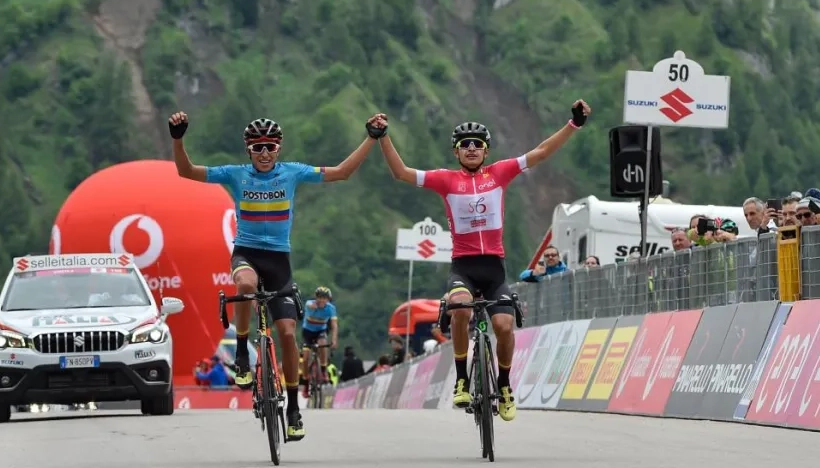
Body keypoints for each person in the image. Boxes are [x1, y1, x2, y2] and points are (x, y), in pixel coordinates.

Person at [168, 111, 385, 441]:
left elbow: (342, 172)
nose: (265, 153)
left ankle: (294, 409)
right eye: (258, 148)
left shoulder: (293, 172)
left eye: (270, 146)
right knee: (244, 285)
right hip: (247, 254)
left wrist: (371, 137)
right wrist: (178, 138)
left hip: (279, 261)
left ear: (279, 148)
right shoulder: (236, 175)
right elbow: (186, 171)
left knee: (286, 333)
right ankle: (242, 351)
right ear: (248, 151)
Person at [376, 100, 591, 422]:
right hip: (463, 267)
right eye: (465, 145)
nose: (472, 149)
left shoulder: (500, 172)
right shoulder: (445, 180)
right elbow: (400, 173)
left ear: (487, 151)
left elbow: (542, 152)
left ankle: (504, 386)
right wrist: (382, 137)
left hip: (493, 268)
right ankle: (462, 378)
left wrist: (574, 124)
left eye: (478, 144)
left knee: (504, 326)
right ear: (456, 152)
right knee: (460, 308)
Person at [300, 286, 338, 397]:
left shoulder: (331, 308)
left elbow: (334, 326)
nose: (322, 300)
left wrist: (334, 340)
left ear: (328, 299)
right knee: (306, 358)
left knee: (322, 344)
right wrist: (314, 306)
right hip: (308, 332)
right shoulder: (309, 304)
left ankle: (323, 369)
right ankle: (306, 384)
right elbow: (309, 305)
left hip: (321, 330)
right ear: (316, 297)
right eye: (319, 297)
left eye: (325, 298)